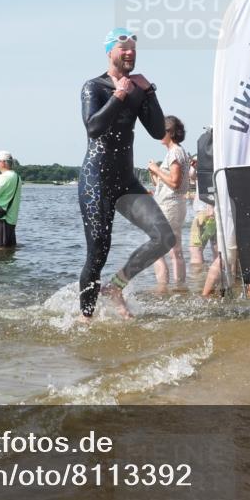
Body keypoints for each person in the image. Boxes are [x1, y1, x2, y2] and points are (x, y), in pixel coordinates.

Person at [78, 28, 174, 320]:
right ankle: (85, 318)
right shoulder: (93, 87)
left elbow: (158, 131)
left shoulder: (138, 89)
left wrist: (149, 92)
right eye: (124, 48)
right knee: (98, 254)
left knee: (164, 238)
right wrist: (119, 94)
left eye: (133, 48)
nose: (130, 52)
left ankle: (115, 287)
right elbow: (93, 127)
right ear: (110, 52)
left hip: (125, 182)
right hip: (96, 181)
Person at [147, 115, 189, 287]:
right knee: (175, 250)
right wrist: (155, 174)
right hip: (176, 204)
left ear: (169, 132)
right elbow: (166, 184)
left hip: (170, 205)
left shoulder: (174, 152)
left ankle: (162, 289)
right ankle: (179, 287)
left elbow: (175, 183)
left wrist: (157, 169)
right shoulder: (178, 151)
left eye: (160, 131)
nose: (157, 134)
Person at [0, 151, 22, 248]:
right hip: (10, 220)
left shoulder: (4, 177)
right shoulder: (16, 176)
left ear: (4, 162)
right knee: (9, 250)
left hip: (1, 220)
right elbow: (3, 191)